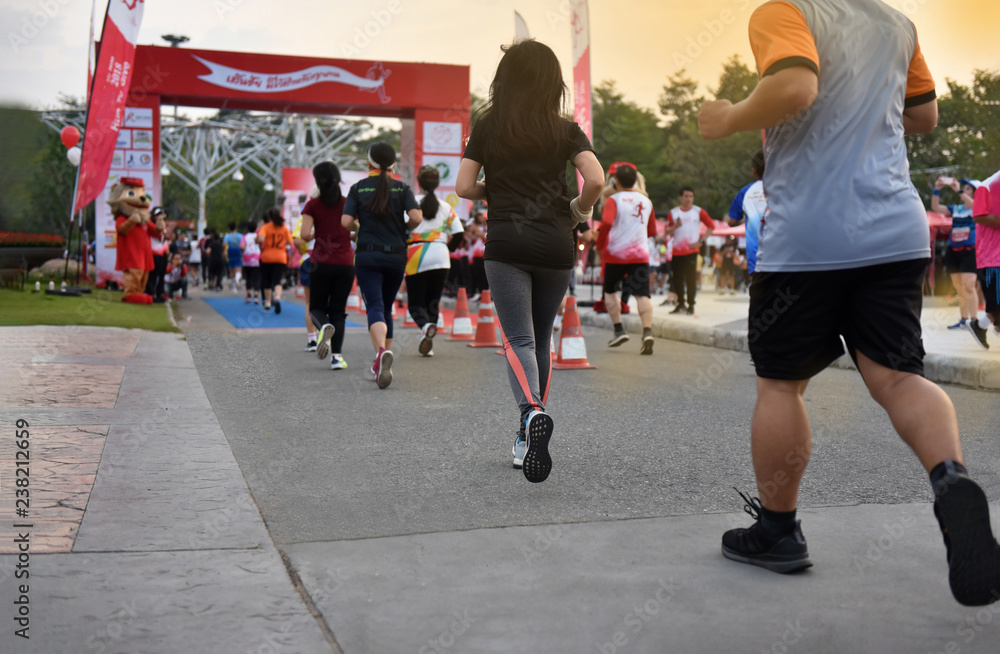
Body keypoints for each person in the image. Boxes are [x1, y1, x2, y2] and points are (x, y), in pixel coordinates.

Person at [698, 0, 1000, 607]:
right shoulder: (896, 22)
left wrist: (730, 116)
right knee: (897, 377)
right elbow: (925, 115)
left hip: (808, 238)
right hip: (894, 229)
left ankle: (779, 532)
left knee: (782, 385)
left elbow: (794, 86)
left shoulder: (784, 11)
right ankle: (951, 479)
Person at [456, 39, 604, 483]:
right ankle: (527, 435)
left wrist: (495, 191)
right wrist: (577, 211)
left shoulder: (489, 125)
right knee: (542, 337)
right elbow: (596, 178)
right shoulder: (564, 128)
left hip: (508, 246)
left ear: (506, 79)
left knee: (516, 339)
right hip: (557, 245)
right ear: (551, 82)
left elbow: (464, 187)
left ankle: (531, 414)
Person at [342, 143, 422, 388]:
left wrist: (360, 228)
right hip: (397, 256)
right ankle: (383, 359)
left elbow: (346, 222)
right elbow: (417, 217)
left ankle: (380, 353)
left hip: (368, 256)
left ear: (369, 163)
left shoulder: (358, 188)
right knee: (386, 306)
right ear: (393, 164)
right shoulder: (401, 188)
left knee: (375, 306)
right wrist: (403, 229)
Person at [596, 163, 657, 354]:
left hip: (615, 255)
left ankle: (619, 330)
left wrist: (599, 244)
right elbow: (652, 230)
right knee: (642, 294)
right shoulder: (647, 202)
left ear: (616, 181)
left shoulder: (613, 200)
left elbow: (606, 222)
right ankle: (647, 331)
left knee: (610, 292)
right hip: (640, 255)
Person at [407, 165, 466, 357]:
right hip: (441, 256)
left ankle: (425, 327)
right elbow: (459, 233)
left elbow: (400, 229)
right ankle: (429, 340)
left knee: (415, 303)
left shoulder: (411, 203)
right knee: (433, 301)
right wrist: (447, 250)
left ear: (419, 181)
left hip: (416, 255)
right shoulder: (447, 207)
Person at [302, 161, 355, 370]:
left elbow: (305, 235)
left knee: (316, 307)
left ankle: (323, 327)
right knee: (339, 311)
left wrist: (320, 232)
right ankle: (337, 358)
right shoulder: (347, 203)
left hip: (321, 263)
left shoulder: (312, 205)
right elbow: (354, 228)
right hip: (345, 263)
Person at [932, 176, 980, 330]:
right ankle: (963, 320)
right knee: (959, 288)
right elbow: (935, 207)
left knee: (968, 286)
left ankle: (974, 321)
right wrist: (936, 190)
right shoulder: (957, 209)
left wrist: (957, 189)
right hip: (953, 251)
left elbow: (974, 205)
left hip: (969, 251)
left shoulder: (977, 206)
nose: (964, 191)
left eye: (968, 189)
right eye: (963, 188)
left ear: (974, 193)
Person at [664, 187, 714, 315]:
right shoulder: (674, 213)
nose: (688, 199)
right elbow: (666, 231)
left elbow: (711, 226)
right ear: (680, 197)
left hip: (692, 251)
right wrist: (675, 226)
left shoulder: (698, 211)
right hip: (677, 252)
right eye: (686, 196)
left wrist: (701, 241)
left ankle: (691, 304)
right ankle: (681, 303)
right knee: (677, 279)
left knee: (691, 279)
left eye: (691, 196)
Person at [970, 174, 1000, 349]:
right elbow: (978, 216)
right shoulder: (987, 185)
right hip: (992, 258)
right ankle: (979, 325)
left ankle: (980, 325)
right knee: (997, 307)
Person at [727, 149, 767, 277]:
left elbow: (732, 222)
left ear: (753, 171)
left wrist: (746, 218)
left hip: (756, 256)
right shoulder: (785, 187)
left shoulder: (746, 191)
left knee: (759, 293)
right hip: (783, 255)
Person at [257, 208, 292, 313]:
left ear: (269, 217)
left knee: (266, 280)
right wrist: (283, 247)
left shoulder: (265, 227)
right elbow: (290, 242)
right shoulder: (284, 228)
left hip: (267, 257)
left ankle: (267, 302)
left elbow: (261, 239)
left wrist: (261, 247)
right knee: (277, 280)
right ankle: (277, 297)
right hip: (281, 257)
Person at [292, 212, 318, 351]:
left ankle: (312, 339)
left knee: (310, 302)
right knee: (327, 301)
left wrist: (309, 239)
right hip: (331, 260)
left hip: (308, 260)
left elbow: (296, 241)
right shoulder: (334, 214)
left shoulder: (305, 218)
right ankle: (328, 340)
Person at [145, 207, 170, 302]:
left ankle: (160, 293)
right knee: (153, 274)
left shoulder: (163, 225)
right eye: (159, 214)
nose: (161, 216)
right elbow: (157, 234)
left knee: (161, 274)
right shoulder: (151, 224)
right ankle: (151, 294)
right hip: (154, 252)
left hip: (163, 252)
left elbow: (163, 236)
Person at [241, 220, 261, 304]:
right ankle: (256, 295)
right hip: (257, 257)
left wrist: (246, 250)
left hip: (247, 258)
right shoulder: (258, 236)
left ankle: (248, 294)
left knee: (248, 277)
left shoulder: (245, 236)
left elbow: (241, 246)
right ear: (255, 228)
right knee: (256, 277)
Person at [224, 221, 244, 293]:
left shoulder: (227, 236)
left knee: (231, 271)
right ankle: (237, 278)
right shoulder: (240, 236)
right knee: (238, 269)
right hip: (238, 252)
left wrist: (225, 252)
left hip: (230, 253)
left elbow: (225, 244)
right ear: (236, 228)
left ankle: (233, 288)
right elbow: (243, 245)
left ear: (229, 228)